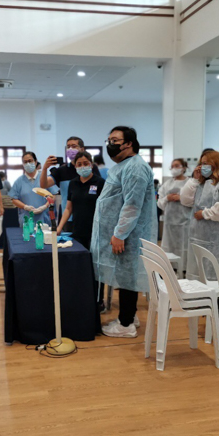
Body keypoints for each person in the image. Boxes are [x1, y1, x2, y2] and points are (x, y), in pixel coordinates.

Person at [91, 126, 157, 338]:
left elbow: (132, 205)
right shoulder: (123, 166)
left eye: (115, 140)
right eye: (109, 139)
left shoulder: (135, 168)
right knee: (125, 276)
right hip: (122, 233)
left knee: (128, 277)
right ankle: (130, 316)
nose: (110, 144)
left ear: (129, 143)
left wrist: (120, 234)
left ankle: (126, 324)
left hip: (128, 234)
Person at [57, 151, 106, 310]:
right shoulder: (73, 183)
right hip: (78, 232)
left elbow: (106, 209)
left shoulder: (100, 183)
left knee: (96, 268)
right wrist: (59, 228)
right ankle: (81, 298)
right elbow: (68, 208)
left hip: (97, 232)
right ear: (75, 166)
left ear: (91, 164)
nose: (83, 166)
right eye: (79, 164)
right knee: (80, 266)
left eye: (86, 163)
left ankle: (98, 301)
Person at [181, 150, 219, 280]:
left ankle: (217, 298)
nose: (202, 167)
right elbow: (185, 200)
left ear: (215, 163)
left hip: (216, 238)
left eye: (205, 163)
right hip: (197, 236)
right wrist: (194, 180)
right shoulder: (199, 184)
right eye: (201, 163)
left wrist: (205, 213)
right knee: (196, 271)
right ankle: (197, 297)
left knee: (214, 271)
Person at [40, 136, 100, 230]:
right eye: (68, 147)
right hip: (68, 218)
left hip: (90, 217)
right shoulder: (62, 170)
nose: (70, 149)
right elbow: (43, 185)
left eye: (74, 146)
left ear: (82, 149)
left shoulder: (92, 169)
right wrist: (44, 168)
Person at [157, 158, 191, 273]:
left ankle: (184, 271)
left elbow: (195, 201)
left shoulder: (190, 183)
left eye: (177, 165)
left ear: (184, 167)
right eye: (172, 166)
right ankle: (169, 271)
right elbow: (160, 203)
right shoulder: (167, 184)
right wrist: (168, 198)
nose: (174, 168)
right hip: (169, 224)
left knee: (184, 248)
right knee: (169, 248)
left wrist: (181, 198)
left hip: (185, 223)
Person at [10, 152, 55, 228]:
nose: (28, 163)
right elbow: (14, 199)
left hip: (44, 218)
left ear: (35, 162)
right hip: (26, 220)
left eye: (30, 161)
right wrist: (25, 207)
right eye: (25, 162)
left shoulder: (44, 178)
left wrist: (44, 206)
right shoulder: (19, 181)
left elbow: (53, 195)